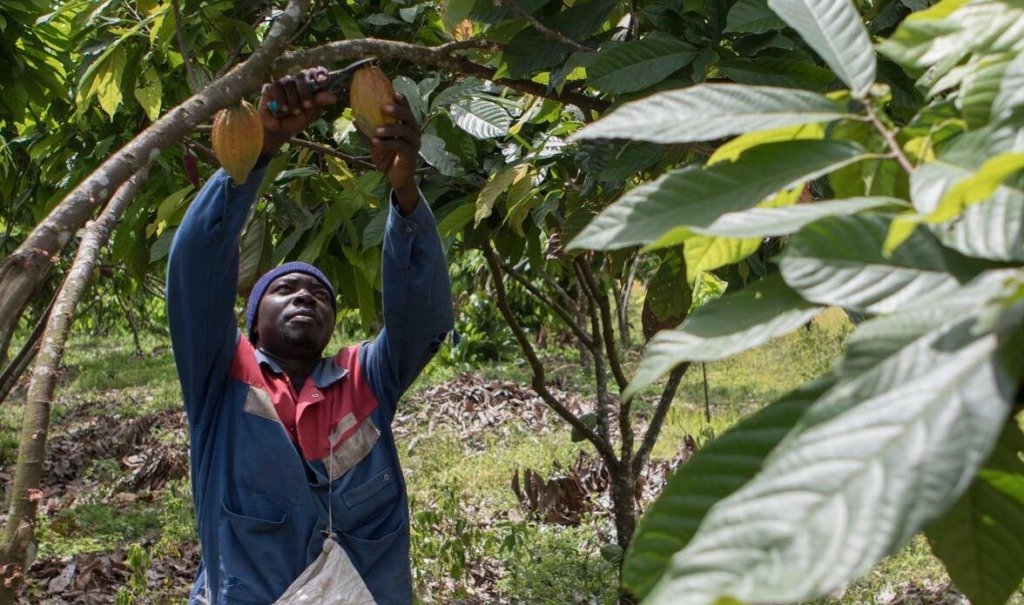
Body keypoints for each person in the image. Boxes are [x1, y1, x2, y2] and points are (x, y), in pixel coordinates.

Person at [166, 66, 453, 604]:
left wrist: (406, 194)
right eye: (285, 290)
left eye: (319, 295)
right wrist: (259, 148)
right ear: (251, 325)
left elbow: (423, 319)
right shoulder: (221, 376)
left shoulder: (364, 378)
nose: (304, 297)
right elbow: (196, 266)